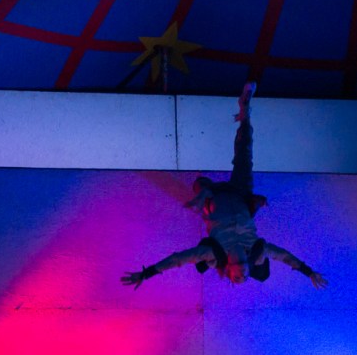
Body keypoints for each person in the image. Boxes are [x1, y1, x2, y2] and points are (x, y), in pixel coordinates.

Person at [122, 82, 328, 290]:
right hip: (240, 193)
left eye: (237, 277)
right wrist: (308, 272)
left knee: (200, 186)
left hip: (214, 197)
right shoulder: (257, 252)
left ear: (229, 270)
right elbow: (284, 256)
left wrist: (146, 273)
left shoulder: (213, 254)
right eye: (246, 276)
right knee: (245, 153)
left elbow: (178, 259)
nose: (243, 276)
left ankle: (203, 192)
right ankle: (244, 112)